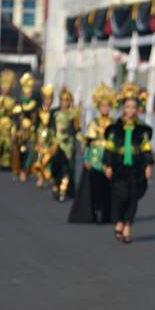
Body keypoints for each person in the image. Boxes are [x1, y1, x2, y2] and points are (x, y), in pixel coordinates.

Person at [103, 83, 153, 244]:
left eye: (133, 107)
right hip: (119, 167)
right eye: (127, 106)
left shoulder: (141, 129)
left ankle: (127, 226)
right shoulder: (115, 128)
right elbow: (110, 147)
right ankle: (118, 220)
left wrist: (148, 165)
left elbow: (146, 148)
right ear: (123, 108)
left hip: (136, 168)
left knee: (133, 197)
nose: (130, 110)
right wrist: (108, 165)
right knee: (120, 196)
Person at [69, 83, 115, 224]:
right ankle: (94, 211)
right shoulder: (94, 123)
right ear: (98, 106)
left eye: (107, 106)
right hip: (94, 160)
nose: (105, 108)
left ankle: (107, 213)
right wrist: (86, 159)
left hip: (108, 159)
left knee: (107, 189)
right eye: (102, 106)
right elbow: (87, 143)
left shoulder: (114, 123)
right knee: (94, 188)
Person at [49, 87, 80, 202]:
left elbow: (77, 129)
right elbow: (51, 128)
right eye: (63, 100)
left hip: (68, 144)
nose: (65, 103)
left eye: (67, 101)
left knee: (67, 168)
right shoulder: (55, 113)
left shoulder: (73, 114)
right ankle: (56, 185)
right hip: (57, 143)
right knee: (56, 166)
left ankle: (64, 189)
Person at [11, 73, 38, 182]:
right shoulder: (19, 103)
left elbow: (36, 118)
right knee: (19, 150)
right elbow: (15, 119)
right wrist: (14, 131)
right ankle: (18, 169)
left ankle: (26, 170)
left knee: (30, 150)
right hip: (20, 131)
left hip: (31, 131)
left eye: (29, 92)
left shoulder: (35, 104)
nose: (27, 94)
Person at [31, 84, 56, 188]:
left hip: (49, 137)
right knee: (39, 157)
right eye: (46, 99)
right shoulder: (38, 111)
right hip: (40, 137)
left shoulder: (53, 113)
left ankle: (49, 177)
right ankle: (40, 177)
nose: (48, 101)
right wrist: (34, 139)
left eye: (50, 99)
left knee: (49, 158)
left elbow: (54, 126)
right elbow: (35, 125)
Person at [0, 70, 17, 169]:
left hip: (8, 126)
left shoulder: (13, 100)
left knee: (7, 144)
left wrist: (14, 128)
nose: (4, 87)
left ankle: (6, 162)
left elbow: (15, 116)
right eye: (3, 85)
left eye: (7, 85)